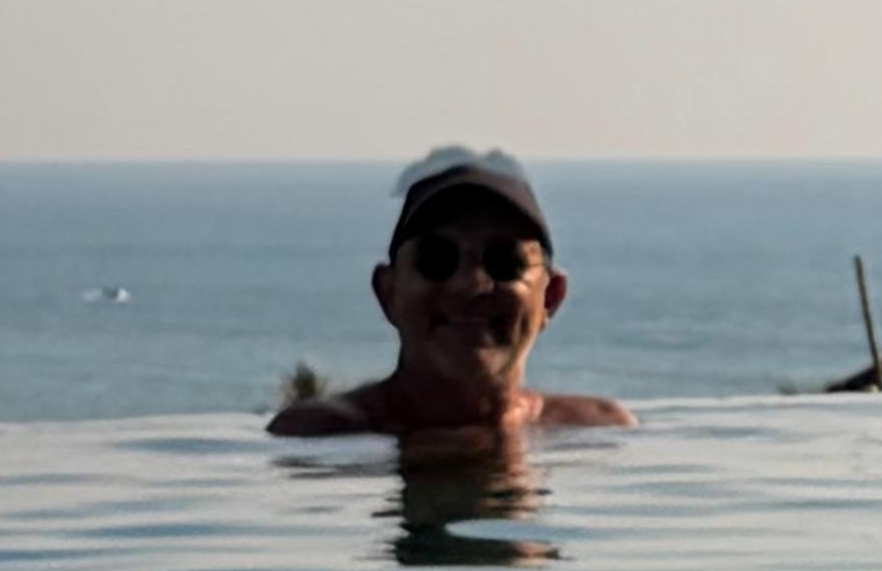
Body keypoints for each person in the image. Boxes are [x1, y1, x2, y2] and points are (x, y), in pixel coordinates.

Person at [269, 150, 636, 444]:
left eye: (504, 261)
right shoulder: (318, 440)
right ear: (388, 292)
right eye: (437, 260)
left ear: (550, 298)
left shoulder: (597, 433)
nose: (470, 285)